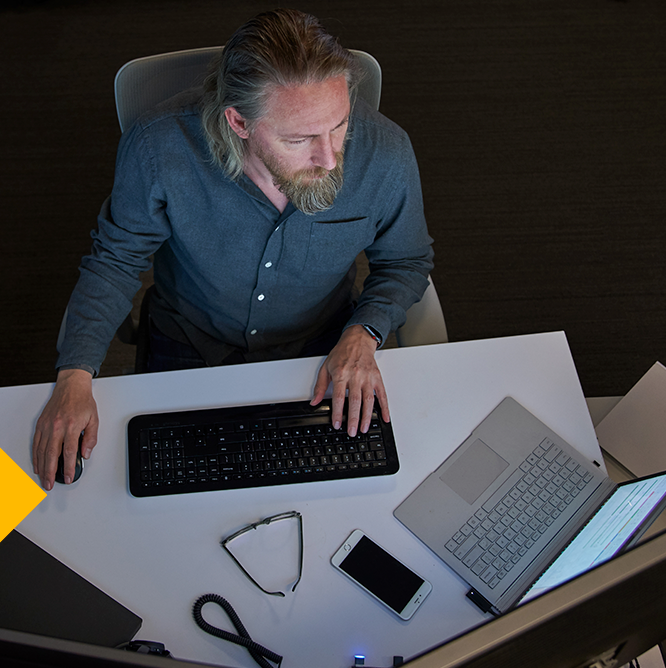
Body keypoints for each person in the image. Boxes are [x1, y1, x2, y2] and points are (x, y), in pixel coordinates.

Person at [31, 9, 435, 490]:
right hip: (189, 336)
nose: (329, 158)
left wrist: (364, 332)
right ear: (239, 122)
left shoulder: (386, 152)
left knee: (340, 489)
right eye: (299, 138)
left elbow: (406, 262)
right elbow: (117, 259)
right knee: (158, 492)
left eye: (339, 125)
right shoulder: (159, 147)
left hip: (322, 346)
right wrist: (74, 376)